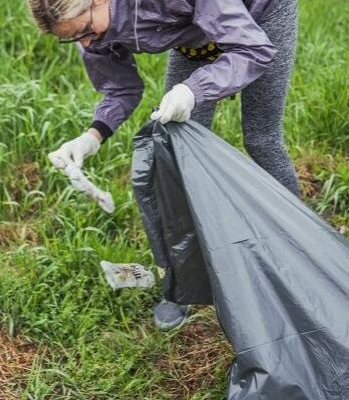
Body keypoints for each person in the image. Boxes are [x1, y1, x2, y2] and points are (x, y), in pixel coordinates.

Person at [27, 0, 301, 330]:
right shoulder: (90, 30)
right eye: (73, 39)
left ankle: (299, 251)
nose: (86, 42)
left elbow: (251, 48)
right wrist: (92, 136)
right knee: (173, 152)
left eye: (85, 31)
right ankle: (182, 284)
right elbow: (120, 87)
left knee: (261, 138)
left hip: (258, 16)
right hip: (191, 34)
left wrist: (193, 89)